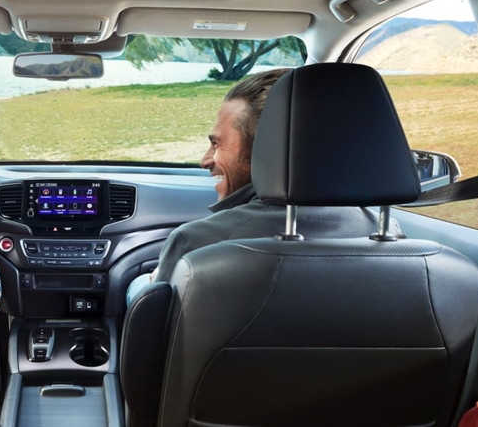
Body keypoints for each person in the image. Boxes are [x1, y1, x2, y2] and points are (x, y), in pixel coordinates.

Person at [127, 67, 401, 303]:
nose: (205, 161)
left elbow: (154, 335)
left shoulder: (196, 242)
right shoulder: (388, 236)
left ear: (266, 152)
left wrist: (144, 284)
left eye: (216, 143)